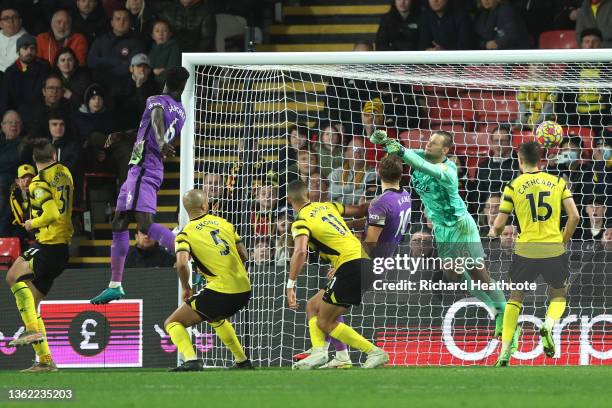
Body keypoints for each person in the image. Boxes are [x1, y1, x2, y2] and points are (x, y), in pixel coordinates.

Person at [371, 129, 516, 344]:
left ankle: (504, 314)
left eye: (434, 144)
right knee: (454, 275)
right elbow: (405, 153)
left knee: (479, 275)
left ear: (445, 150)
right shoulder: (420, 154)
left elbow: (420, 165)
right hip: (441, 228)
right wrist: (383, 141)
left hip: (460, 226)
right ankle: (495, 309)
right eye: (429, 142)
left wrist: (400, 149)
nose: (428, 145)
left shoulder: (448, 169)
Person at [295, 155, 411, 368]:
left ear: (377, 172)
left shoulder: (379, 203)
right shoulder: (404, 195)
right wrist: (343, 224)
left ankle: (370, 352)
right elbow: (374, 222)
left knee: (326, 317)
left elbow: (372, 241)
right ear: (401, 174)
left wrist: (349, 260)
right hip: (383, 259)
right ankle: (340, 356)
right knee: (315, 305)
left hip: (366, 262)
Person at [90, 66, 190, 304]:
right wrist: (121, 135)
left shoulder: (156, 99)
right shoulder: (182, 112)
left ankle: (190, 260)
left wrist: (159, 141)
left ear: (166, 82)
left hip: (144, 167)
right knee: (119, 221)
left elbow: (155, 121)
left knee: (144, 224)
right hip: (142, 168)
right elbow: (145, 130)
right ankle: (115, 285)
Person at [489, 141, 580, 366]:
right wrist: (562, 239)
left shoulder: (513, 185)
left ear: (520, 160)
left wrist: (494, 230)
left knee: (515, 298)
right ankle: (548, 325)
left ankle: (505, 350)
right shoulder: (558, 182)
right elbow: (575, 217)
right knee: (558, 294)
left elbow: (500, 225)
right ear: (541, 159)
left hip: (525, 249)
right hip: (553, 248)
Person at [286, 180, 389, 369]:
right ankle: (337, 357)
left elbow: (300, 252)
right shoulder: (328, 206)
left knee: (326, 321)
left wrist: (290, 285)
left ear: (288, 200)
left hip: (351, 265)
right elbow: (360, 209)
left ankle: (374, 352)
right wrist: (383, 202)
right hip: (361, 262)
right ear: (307, 194)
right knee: (313, 306)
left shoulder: (300, 222)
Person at [5, 138, 74, 372]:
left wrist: (32, 222)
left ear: (35, 161)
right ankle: (45, 361)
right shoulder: (65, 172)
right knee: (32, 305)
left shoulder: (38, 182)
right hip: (61, 245)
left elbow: (52, 213)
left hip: (50, 244)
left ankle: (32, 331)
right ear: (54, 156)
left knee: (13, 276)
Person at [164, 189, 252, 371]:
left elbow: (181, 264)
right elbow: (244, 254)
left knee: (172, 323)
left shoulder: (184, 233)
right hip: (244, 288)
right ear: (205, 205)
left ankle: (191, 360)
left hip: (222, 290)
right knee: (214, 316)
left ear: (186, 210)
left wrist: (186, 287)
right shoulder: (225, 223)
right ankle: (242, 361)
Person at [87, 8, 144, 87]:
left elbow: (131, 67)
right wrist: (115, 62)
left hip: (124, 87)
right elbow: (91, 61)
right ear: (112, 23)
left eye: (125, 19)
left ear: (130, 23)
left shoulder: (136, 43)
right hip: (100, 85)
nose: (121, 22)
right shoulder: (101, 40)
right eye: (118, 19)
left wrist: (106, 70)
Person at [0, 34, 49, 117]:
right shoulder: (10, 72)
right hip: (18, 117)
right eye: (25, 48)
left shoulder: (44, 67)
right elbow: (5, 100)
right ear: (18, 51)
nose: (29, 51)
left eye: (32, 48)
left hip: (42, 114)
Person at [110, 53, 159, 129]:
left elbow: (146, 110)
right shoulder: (121, 84)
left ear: (149, 70)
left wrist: (139, 87)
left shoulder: (154, 86)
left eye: (145, 67)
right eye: (138, 66)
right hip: (124, 125)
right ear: (131, 68)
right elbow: (123, 107)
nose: (142, 70)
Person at [328, 139, 378, 206]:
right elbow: (327, 191)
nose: (358, 152)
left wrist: (338, 195)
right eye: (354, 149)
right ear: (346, 154)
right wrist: (353, 187)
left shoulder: (372, 173)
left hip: (359, 213)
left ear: (366, 155)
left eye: (362, 149)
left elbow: (365, 196)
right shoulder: (337, 172)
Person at [148, 19, 180, 88]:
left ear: (170, 34)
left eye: (165, 31)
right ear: (152, 36)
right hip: (153, 85)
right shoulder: (152, 49)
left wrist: (158, 72)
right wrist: (154, 72)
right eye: (157, 31)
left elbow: (172, 70)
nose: (161, 34)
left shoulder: (175, 47)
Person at [9, 164, 36, 243]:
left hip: (36, 225)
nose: (27, 182)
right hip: (21, 227)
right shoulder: (13, 196)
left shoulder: (40, 193)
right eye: (23, 178)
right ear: (17, 181)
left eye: (30, 178)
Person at [0, 5, 27, 72]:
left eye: (14, 17)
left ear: (20, 21)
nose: (11, 21)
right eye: (6, 18)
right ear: (0, 24)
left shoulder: (29, 40)